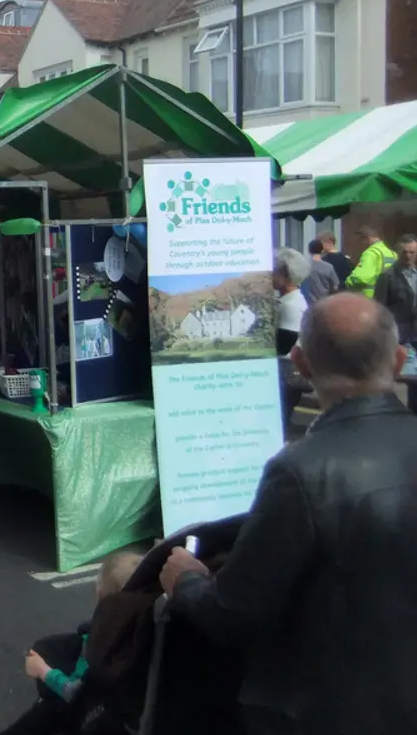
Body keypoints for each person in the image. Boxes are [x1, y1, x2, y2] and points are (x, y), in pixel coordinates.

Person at [160, 294, 417, 735]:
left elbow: (234, 612)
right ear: (397, 361)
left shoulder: (299, 471)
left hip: (324, 710)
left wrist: (184, 579)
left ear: (300, 362)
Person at [0, 552, 143, 735]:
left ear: (100, 595)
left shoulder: (100, 644)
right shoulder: (146, 631)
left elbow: (76, 693)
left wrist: (43, 671)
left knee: (47, 710)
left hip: (91, 715)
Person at [373, 233, 417, 413]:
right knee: (399, 378)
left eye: (412, 252)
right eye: (404, 252)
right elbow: (379, 308)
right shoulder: (387, 276)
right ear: (398, 252)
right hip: (400, 335)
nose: (408, 256)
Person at [274, 247, 312, 433]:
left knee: (280, 424)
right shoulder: (293, 300)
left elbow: (283, 345)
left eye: (274, 271)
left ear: (286, 275)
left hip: (286, 372)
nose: (270, 275)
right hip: (288, 371)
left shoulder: (290, 306)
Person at [344, 225, 395, 299]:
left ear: (367, 238)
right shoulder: (392, 253)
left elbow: (361, 278)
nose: (359, 243)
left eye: (360, 240)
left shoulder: (371, 253)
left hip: (370, 299)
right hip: (387, 298)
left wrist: (348, 282)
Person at [302, 238, 340, 304]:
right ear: (322, 250)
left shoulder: (304, 267)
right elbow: (335, 286)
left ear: (309, 250)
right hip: (324, 303)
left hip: (308, 303)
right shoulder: (328, 267)